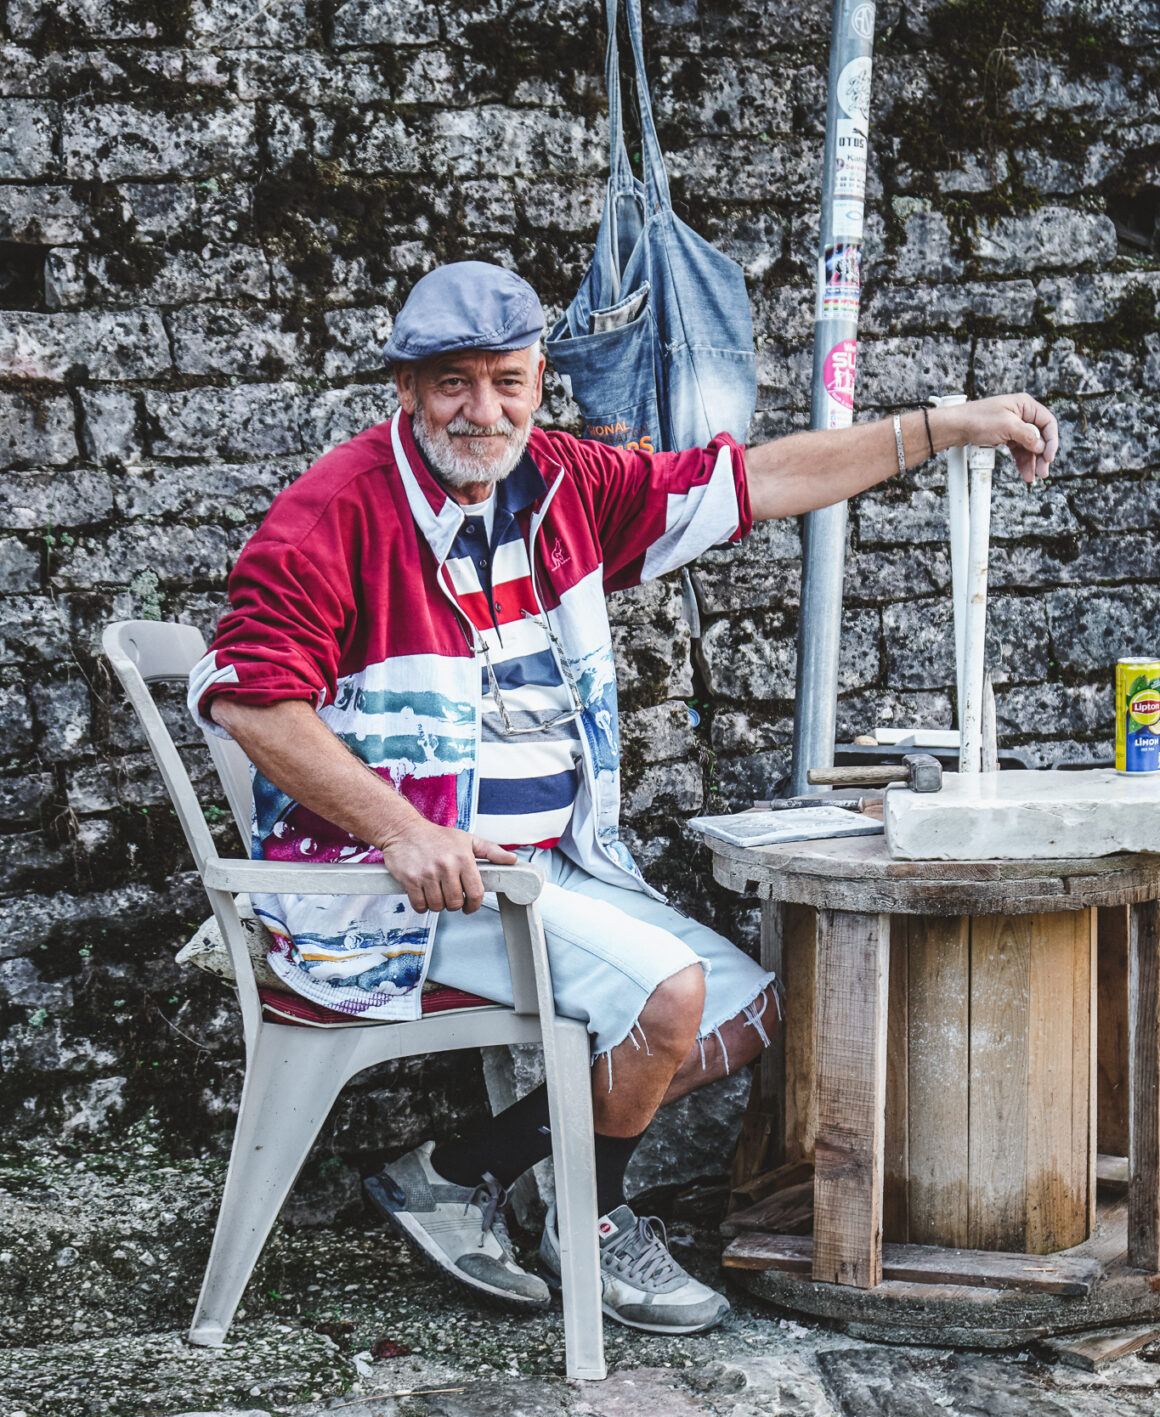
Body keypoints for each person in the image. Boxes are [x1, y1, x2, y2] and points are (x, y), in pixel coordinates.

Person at [189, 260, 1058, 1335]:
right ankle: (587, 1220)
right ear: (404, 388)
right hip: (386, 888)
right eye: (452, 383)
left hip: (539, 867)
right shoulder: (331, 514)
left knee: (743, 1011)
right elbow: (252, 701)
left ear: (538, 377)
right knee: (669, 999)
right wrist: (401, 829)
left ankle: (456, 1172)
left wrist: (941, 427)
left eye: (506, 381)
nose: (482, 409)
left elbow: (754, 482)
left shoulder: (560, 482)